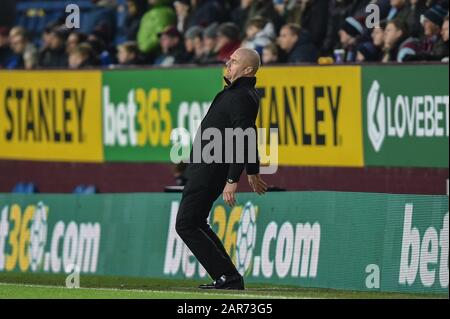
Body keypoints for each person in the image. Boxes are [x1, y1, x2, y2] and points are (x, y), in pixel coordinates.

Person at [176, 48, 268, 290]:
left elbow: (245, 136)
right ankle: (228, 277)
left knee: (186, 223)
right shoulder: (237, 93)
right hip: (207, 166)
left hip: (212, 168)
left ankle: (228, 276)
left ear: (248, 70)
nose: (228, 64)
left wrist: (232, 179)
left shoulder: (241, 96)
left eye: (234, 61)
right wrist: (252, 170)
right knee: (195, 221)